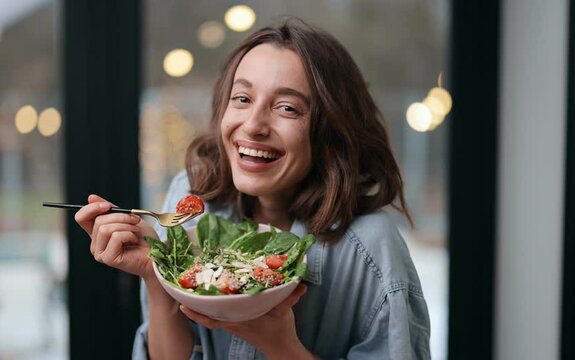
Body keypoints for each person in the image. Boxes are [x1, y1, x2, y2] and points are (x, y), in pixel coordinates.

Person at [75, 18, 430, 360]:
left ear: (330, 132)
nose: (254, 125)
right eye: (242, 99)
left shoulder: (371, 248)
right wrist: (156, 275)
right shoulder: (193, 198)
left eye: (287, 108)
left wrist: (280, 344)